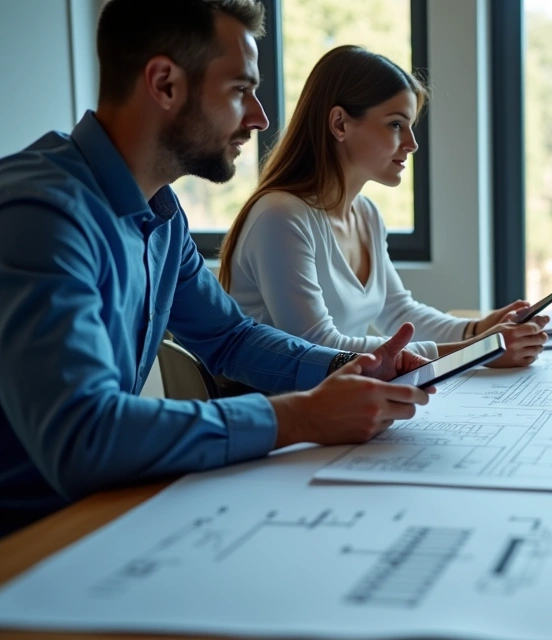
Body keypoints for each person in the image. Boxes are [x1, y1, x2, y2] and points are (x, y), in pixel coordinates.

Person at [0, 0, 435, 535]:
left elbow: (229, 337)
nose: (260, 117)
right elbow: (83, 434)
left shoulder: (161, 215)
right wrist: (300, 416)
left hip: (93, 518)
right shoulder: (42, 215)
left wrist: (340, 371)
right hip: (26, 541)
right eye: (239, 90)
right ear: (164, 84)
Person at [218, 45, 548, 367]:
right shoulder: (281, 216)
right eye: (395, 124)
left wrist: (479, 330)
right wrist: (474, 351)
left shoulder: (366, 214)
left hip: (344, 402)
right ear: (340, 124)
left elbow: (399, 313)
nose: (411, 143)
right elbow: (318, 348)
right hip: (282, 412)